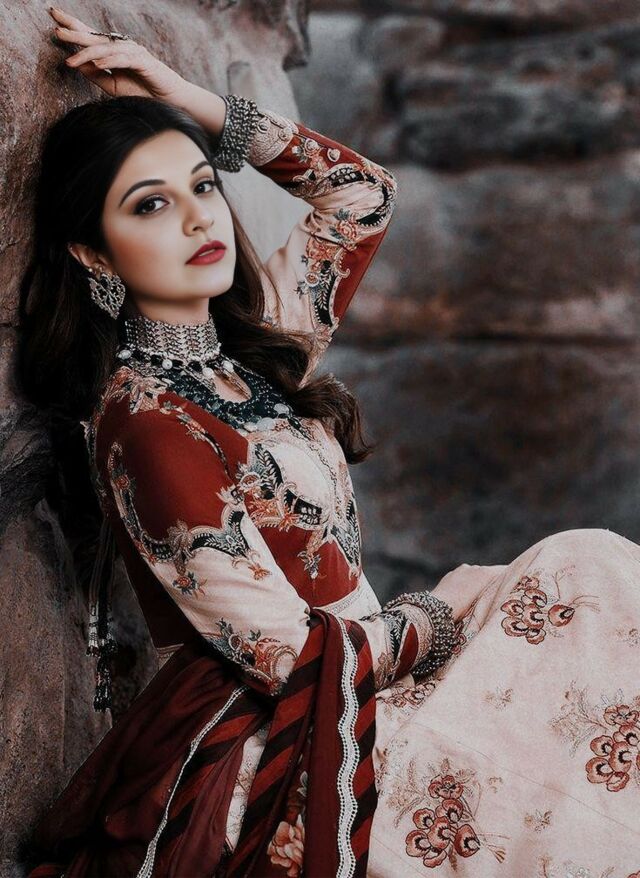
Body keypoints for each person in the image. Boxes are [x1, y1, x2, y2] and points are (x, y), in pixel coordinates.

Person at [20, 8, 640, 877]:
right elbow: (286, 655)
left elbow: (360, 195)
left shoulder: (256, 350)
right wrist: (443, 616)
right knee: (581, 593)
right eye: (151, 205)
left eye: (203, 187)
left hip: (367, 674)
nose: (198, 220)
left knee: (594, 579)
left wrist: (196, 104)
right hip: (294, 722)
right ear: (94, 254)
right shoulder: (148, 423)